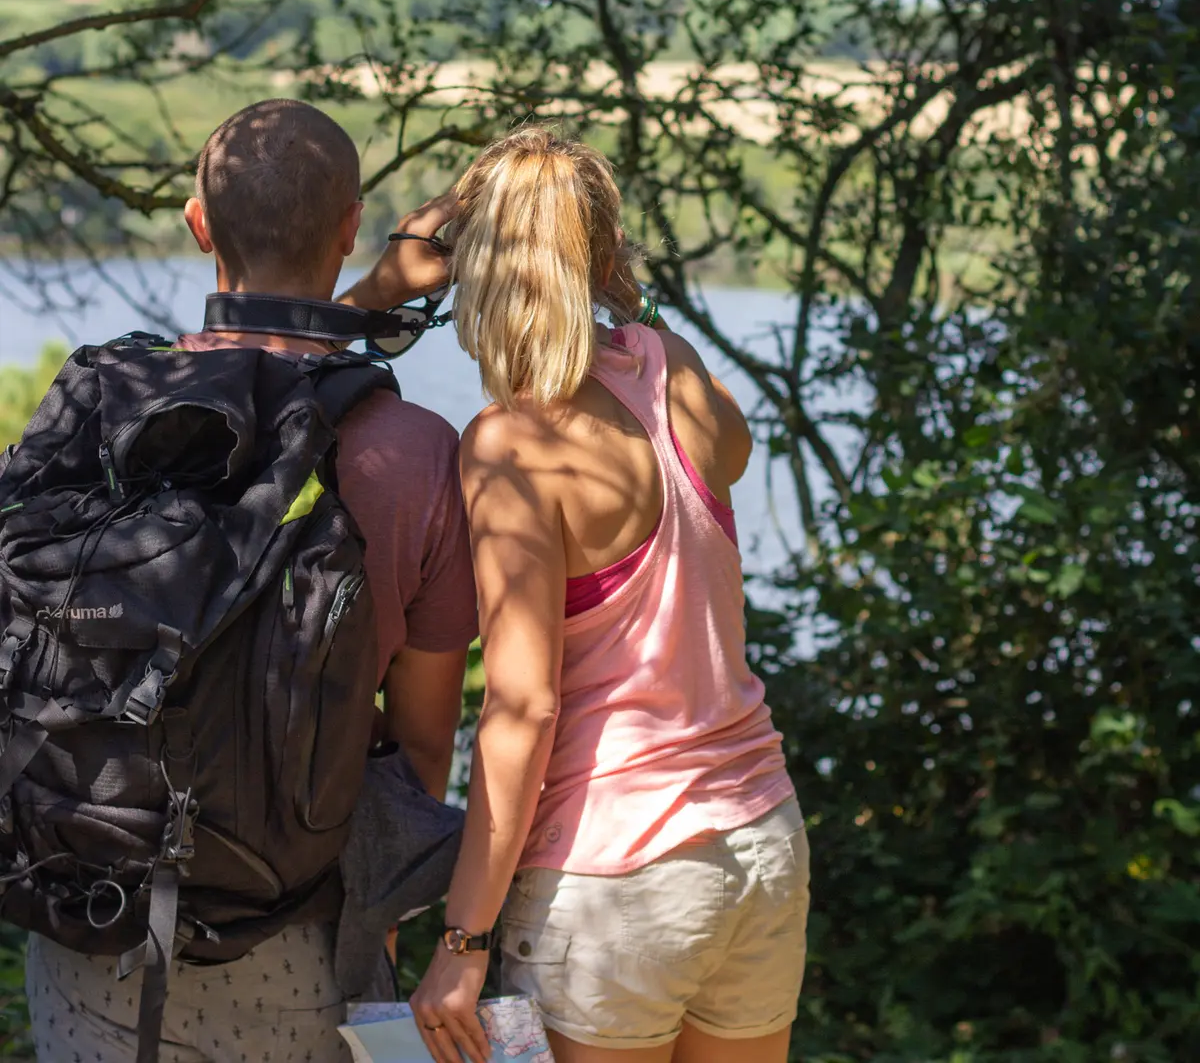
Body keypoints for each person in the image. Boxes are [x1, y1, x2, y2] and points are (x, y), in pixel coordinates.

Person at [23, 99, 478, 1063]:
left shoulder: (112, 407)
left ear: (198, 226)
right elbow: (425, 741)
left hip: (81, 907)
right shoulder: (412, 452)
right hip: (292, 934)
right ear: (352, 227)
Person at [405, 128, 810, 1063]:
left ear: (476, 268)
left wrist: (463, 942)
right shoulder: (672, 369)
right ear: (602, 252)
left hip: (616, 874)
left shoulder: (512, 445)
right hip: (760, 839)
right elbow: (736, 455)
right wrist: (622, 295)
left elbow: (523, 706)